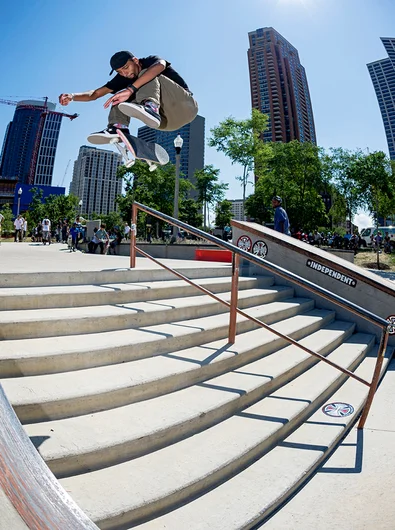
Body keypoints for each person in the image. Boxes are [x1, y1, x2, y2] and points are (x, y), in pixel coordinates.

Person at [58, 51, 198, 144]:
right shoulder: (122, 78)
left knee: (144, 75)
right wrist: (72, 96)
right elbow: (95, 94)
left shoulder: (150, 61)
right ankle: (118, 128)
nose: (124, 73)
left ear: (135, 60)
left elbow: (159, 66)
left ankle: (150, 107)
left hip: (185, 105)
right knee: (119, 96)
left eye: (126, 68)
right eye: (120, 71)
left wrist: (131, 89)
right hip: (166, 122)